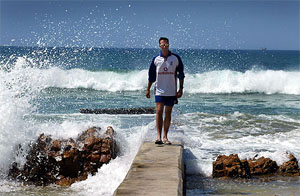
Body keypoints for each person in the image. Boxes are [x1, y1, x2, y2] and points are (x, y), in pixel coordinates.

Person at [146, 37, 185, 145]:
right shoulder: (156, 59)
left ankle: (165, 137)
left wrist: (181, 89)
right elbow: (151, 76)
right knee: (159, 111)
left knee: (168, 113)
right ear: (159, 46)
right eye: (162, 45)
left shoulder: (175, 58)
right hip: (159, 90)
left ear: (168, 45)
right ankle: (158, 137)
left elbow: (181, 74)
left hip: (171, 91)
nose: (164, 46)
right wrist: (148, 89)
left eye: (166, 44)